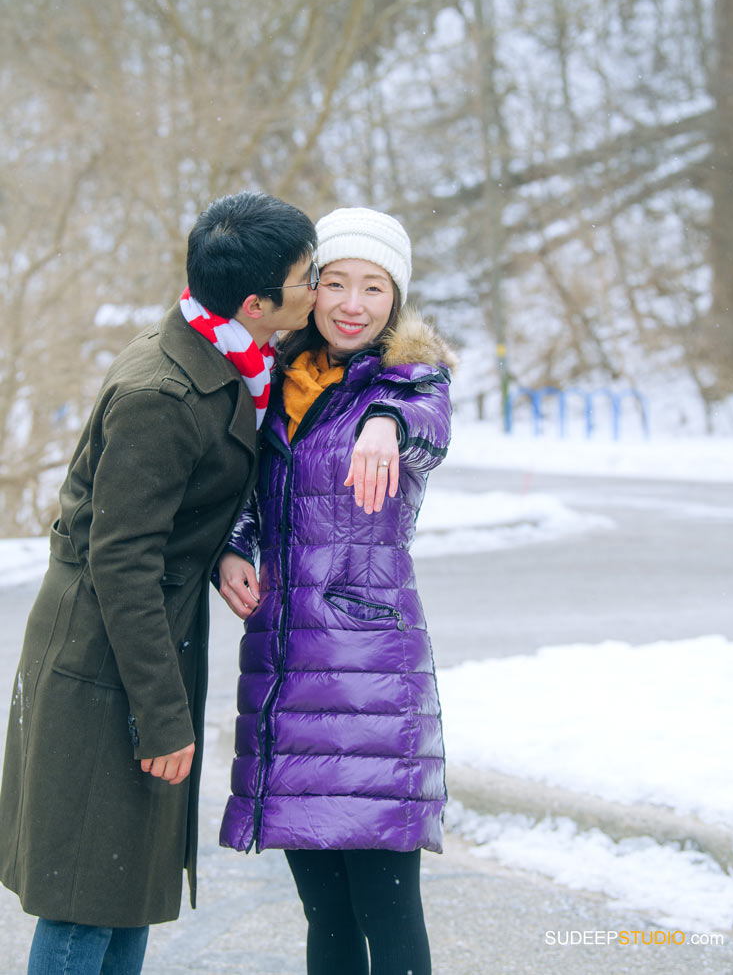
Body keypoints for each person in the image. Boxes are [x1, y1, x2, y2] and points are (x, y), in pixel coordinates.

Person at [0, 191, 318, 974]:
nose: (318, 291)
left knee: (128, 885)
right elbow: (121, 559)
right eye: (309, 279)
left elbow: (167, 511)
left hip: (140, 647)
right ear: (257, 301)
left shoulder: (227, 360)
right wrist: (164, 716)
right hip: (105, 661)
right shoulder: (163, 390)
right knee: (85, 894)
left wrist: (218, 554)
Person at [217, 206, 455, 975]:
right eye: (337, 282)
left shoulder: (407, 377)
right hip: (286, 675)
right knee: (325, 913)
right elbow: (250, 495)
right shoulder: (278, 376)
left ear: (397, 298)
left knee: (387, 910)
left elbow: (429, 421)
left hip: (368, 679)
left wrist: (384, 418)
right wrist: (233, 549)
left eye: (375, 287)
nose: (354, 304)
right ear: (312, 288)